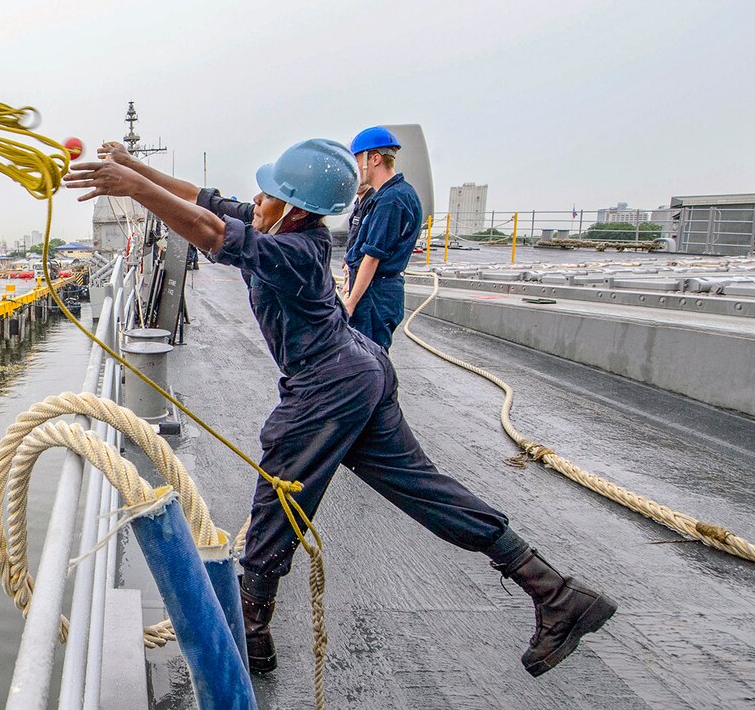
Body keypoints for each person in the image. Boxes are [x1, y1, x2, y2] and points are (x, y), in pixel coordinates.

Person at [63, 139, 616, 678]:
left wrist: (131, 186)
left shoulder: (294, 250)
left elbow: (207, 231)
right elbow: (204, 201)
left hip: (328, 383)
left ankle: (251, 632)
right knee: (420, 487)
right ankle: (556, 592)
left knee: (279, 491)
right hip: (360, 368)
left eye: (266, 194)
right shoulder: (274, 224)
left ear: (294, 206)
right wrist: (138, 169)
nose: (254, 200)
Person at [343, 126, 421, 351]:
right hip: (378, 290)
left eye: (357, 161)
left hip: (376, 294)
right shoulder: (395, 194)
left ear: (374, 158)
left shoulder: (390, 200)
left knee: (367, 360)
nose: (356, 169)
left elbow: (372, 257)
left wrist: (351, 302)